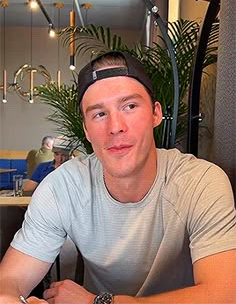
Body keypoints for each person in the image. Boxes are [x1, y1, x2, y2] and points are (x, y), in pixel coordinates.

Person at [0, 51, 235, 304]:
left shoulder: (200, 182)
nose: (115, 126)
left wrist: (99, 303)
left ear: (156, 114)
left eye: (130, 106)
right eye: (99, 114)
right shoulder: (62, 187)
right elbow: (9, 281)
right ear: (87, 130)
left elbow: (224, 294)